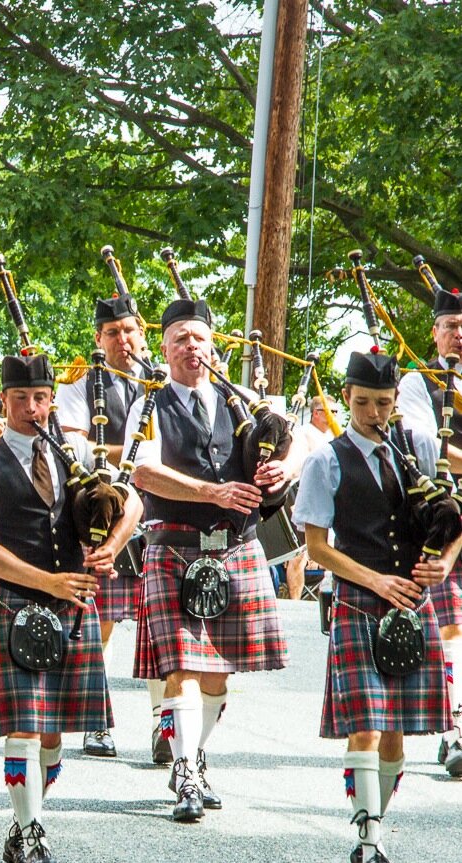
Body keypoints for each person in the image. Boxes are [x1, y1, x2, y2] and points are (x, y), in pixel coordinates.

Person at [0, 353, 141, 863]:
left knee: (53, 735)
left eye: (39, 399)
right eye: (20, 400)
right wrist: (48, 582)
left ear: (50, 401)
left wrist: (112, 548)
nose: (31, 409)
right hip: (12, 604)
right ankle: (34, 833)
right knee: (25, 727)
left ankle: (21, 821)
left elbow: (133, 505)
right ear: (4, 402)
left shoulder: (75, 452)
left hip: (71, 605)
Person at [293, 350, 458, 863]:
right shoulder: (328, 460)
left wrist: (446, 561)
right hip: (361, 603)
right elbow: (317, 547)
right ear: (346, 397)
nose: (373, 413)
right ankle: (370, 842)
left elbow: (455, 517)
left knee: (394, 735)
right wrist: (376, 580)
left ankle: (373, 825)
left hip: (414, 604)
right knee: (365, 723)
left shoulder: (423, 447)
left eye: (383, 403)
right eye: (362, 402)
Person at [126, 298, 295, 822]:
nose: (190, 347)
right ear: (165, 348)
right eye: (179, 338)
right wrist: (213, 492)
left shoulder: (244, 402)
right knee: (182, 668)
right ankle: (185, 773)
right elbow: (143, 472)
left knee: (219, 674)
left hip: (236, 547)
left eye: (198, 338)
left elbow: (301, 444)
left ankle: (194, 754)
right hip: (174, 545)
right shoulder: (149, 404)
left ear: (213, 346)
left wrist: (283, 470)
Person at [56, 294, 166, 761]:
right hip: (106, 514)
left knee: (163, 626)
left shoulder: (165, 384)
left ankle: (167, 726)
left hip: (162, 514)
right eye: (113, 333)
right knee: (98, 624)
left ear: (142, 334)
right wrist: (143, 456)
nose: (123, 340)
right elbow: (78, 450)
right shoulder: (80, 387)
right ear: (98, 338)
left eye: (130, 331)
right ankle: (95, 718)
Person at [395, 287, 462, 775]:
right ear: (435, 333)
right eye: (451, 327)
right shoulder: (419, 382)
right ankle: (458, 728)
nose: (458, 335)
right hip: (446, 515)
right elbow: (423, 443)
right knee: (452, 626)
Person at [283, 393, 341, 601]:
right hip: (302, 496)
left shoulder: (334, 436)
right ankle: (295, 601)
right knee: (299, 553)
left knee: (332, 550)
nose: (336, 415)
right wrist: (294, 503)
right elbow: (294, 470)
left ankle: (327, 597)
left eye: (337, 411)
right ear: (317, 413)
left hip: (331, 500)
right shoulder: (303, 433)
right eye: (331, 411)